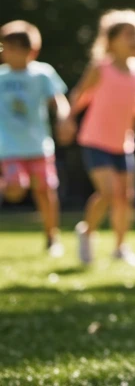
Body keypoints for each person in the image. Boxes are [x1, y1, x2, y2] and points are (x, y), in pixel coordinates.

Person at [69, 10, 135, 266]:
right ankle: (87, 232)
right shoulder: (100, 68)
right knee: (106, 192)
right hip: (94, 139)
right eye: (128, 34)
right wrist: (68, 119)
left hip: (123, 142)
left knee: (124, 197)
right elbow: (80, 95)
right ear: (111, 39)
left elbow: (133, 103)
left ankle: (120, 247)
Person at [0, 20, 75, 257]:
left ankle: (52, 237)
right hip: (9, 146)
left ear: (30, 51)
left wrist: (64, 118)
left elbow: (58, 100)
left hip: (39, 145)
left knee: (45, 192)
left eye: (9, 48)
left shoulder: (42, 73)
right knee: (16, 188)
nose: (4, 53)